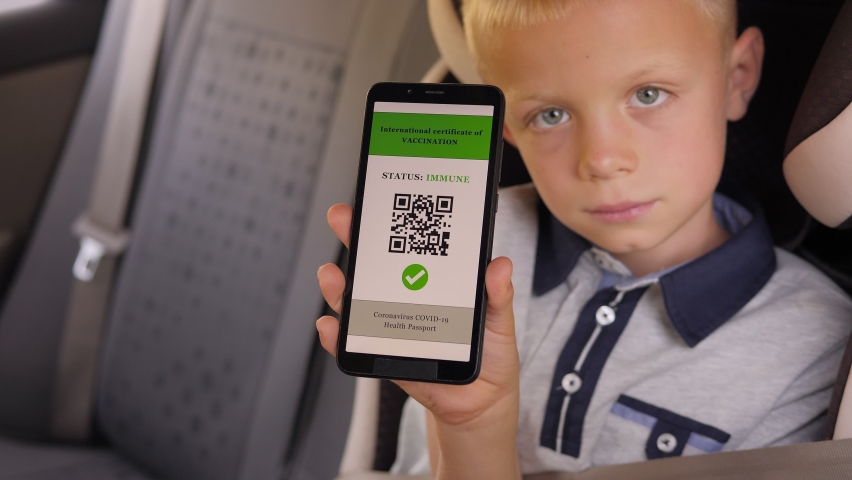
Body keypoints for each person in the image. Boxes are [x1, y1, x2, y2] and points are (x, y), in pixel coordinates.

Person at [316, 0, 852, 477]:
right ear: (509, 129)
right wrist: (468, 428)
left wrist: (480, 427)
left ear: (738, 76)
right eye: (550, 115)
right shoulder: (473, 243)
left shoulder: (813, 348)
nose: (601, 159)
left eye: (648, 94)